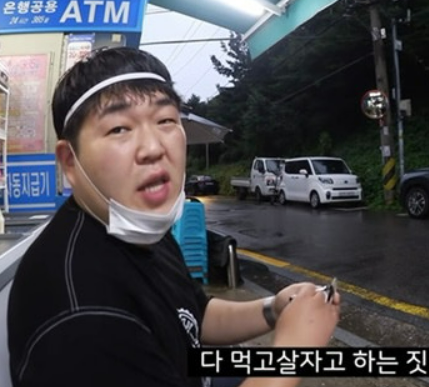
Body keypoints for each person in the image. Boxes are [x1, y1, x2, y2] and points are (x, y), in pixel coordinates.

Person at [7, 47, 340, 387]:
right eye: (119, 128)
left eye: (166, 120)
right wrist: (294, 350)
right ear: (70, 161)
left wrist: (273, 308)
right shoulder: (81, 323)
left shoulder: (140, 226)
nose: (153, 147)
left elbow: (195, 315)